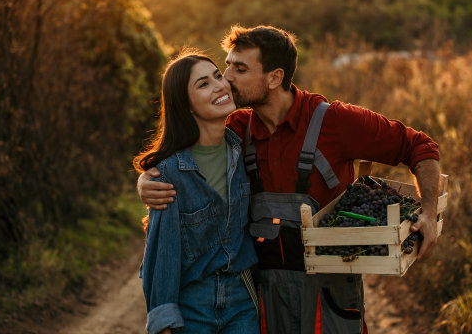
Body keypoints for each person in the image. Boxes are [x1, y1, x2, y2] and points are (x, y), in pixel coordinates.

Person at [138, 26, 441, 334]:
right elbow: (188, 147)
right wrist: (148, 178)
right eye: (227, 65)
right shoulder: (236, 130)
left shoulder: (335, 122)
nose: (227, 78)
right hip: (267, 299)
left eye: (239, 69)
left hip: (330, 295)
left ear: (274, 78)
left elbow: (418, 146)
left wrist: (428, 212)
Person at [134, 52, 259, 334]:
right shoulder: (169, 173)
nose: (219, 86)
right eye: (203, 84)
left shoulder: (247, 151)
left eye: (217, 76)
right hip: (192, 305)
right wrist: (163, 321)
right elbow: (161, 255)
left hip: (244, 301)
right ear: (186, 105)